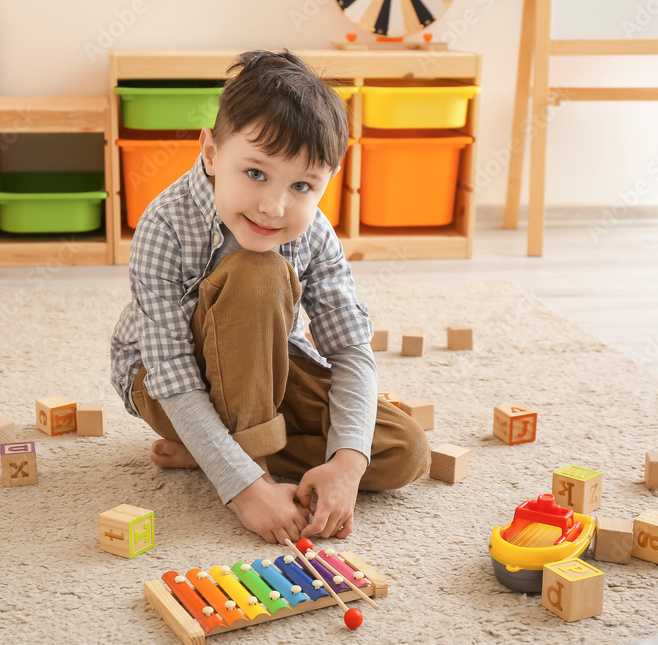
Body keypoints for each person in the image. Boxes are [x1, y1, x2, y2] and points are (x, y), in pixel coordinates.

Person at [110, 49, 429, 545]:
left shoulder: (316, 233)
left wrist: (346, 467)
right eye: (256, 173)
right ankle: (243, 463)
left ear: (327, 182)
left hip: (266, 368)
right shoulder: (164, 224)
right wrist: (247, 488)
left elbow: (349, 351)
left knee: (402, 450)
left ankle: (210, 450)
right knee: (257, 272)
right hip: (162, 382)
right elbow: (171, 374)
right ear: (212, 153)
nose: (273, 206)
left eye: (302, 185)